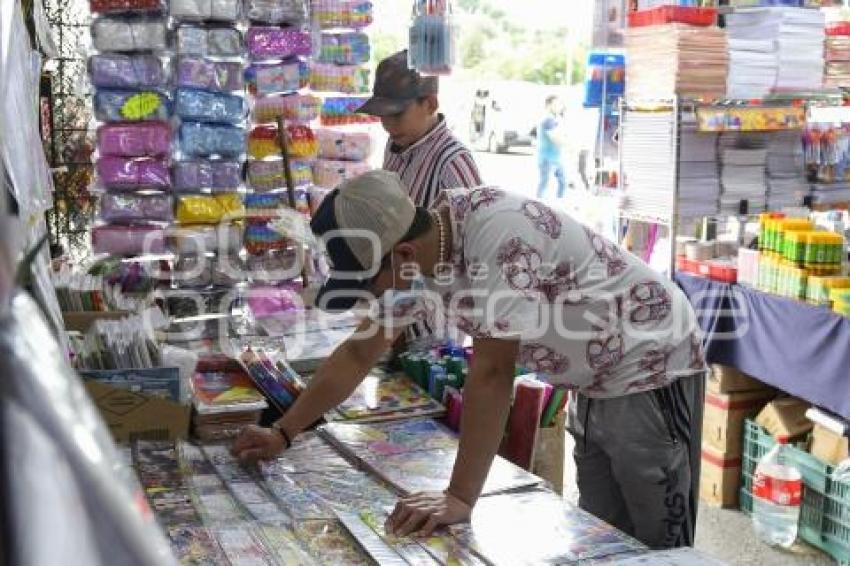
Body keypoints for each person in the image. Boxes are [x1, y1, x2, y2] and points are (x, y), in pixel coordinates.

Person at [232, 170, 706, 549]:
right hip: (595, 380)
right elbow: (361, 350)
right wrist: (283, 432)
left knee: (660, 544)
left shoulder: (498, 236)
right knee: (611, 540)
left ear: (402, 254)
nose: (375, 296)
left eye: (372, 282)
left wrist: (459, 496)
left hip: (651, 364)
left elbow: (493, 374)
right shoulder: (420, 256)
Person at [358, 50, 482, 208]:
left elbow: (473, 228)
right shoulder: (395, 143)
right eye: (382, 114)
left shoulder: (453, 163)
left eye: (397, 114)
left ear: (430, 104)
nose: (388, 125)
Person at [537, 95, 568, 200]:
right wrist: (569, 146)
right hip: (547, 158)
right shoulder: (547, 120)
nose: (559, 106)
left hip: (554, 158)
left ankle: (558, 205)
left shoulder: (554, 119)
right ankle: (539, 206)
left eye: (560, 104)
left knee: (562, 182)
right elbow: (555, 138)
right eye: (556, 104)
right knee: (545, 184)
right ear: (549, 105)